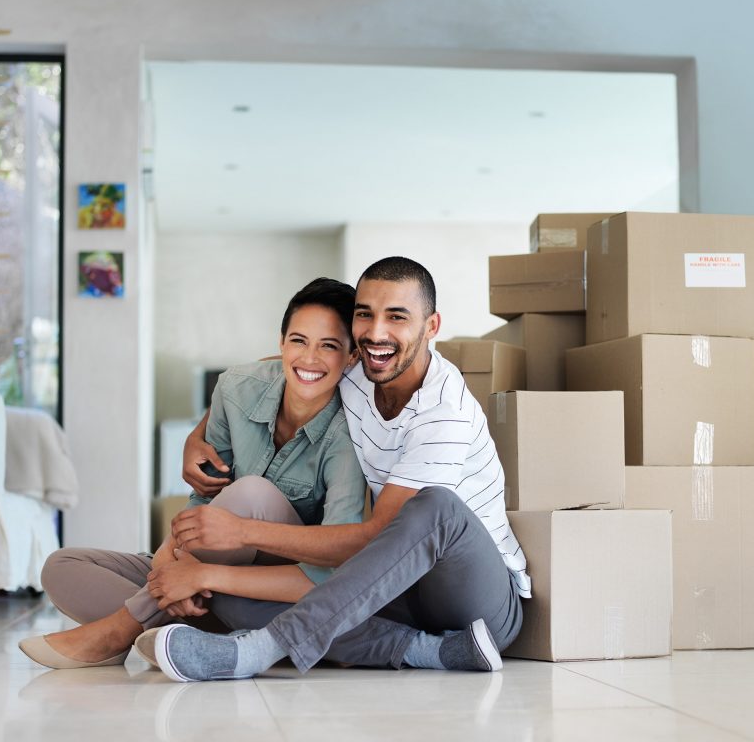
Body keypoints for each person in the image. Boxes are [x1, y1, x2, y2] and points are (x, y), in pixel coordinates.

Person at [154, 256, 530, 681]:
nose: (376, 332)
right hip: (403, 591)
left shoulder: (444, 414)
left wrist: (238, 535)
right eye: (364, 315)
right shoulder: (360, 369)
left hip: (475, 601)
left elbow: (377, 535)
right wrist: (197, 433)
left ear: (431, 327)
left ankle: (264, 649)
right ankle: (431, 651)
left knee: (433, 507)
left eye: (397, 317)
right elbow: (291, 361)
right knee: (234, 596)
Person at [18, 278, 366, 669]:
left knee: (252, 494)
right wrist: (171, 566)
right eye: (299, 341)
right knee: (62, 567)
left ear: (351, 357)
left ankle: (124, 627)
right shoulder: (236, 388)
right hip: (217, 574)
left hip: (278, 584)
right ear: (281, 343)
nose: (310, 358)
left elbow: (332, 569)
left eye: (329, 346)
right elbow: (204, 497)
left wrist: (203, 576)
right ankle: (192, 632)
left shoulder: (352, 430)